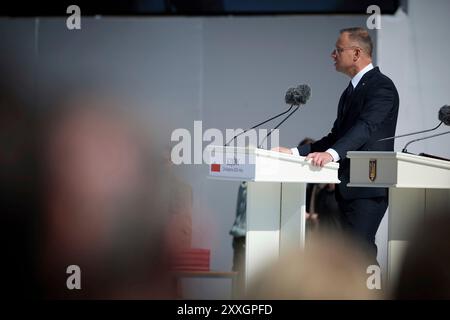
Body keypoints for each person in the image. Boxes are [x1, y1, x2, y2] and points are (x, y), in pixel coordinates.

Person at [274, 27, 399, 263]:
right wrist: (293, 152)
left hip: (367, 187)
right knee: (343, 261)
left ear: (356, 53)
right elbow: (336, 135)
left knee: (359, 257)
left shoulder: (381, 87)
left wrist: (332, 155)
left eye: (338, 50)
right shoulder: (349, 92)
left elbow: (365, 127)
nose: (332, 55)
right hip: (346, 188)